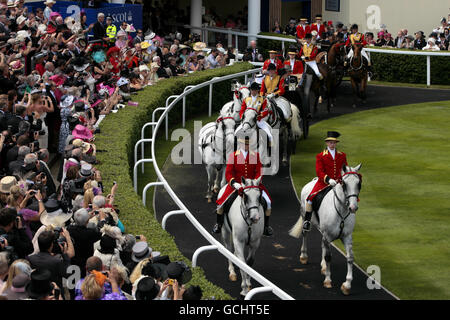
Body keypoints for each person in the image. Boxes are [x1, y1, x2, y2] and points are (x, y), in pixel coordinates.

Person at [214, 136, 273, 236]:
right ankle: (218, 224)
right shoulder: (233, 156)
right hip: (236, 186)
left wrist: (255, 181)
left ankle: (266, 227)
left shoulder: (255, 155)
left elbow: (259, 171)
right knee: (221, 202)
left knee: (268, 202)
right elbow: (228, 173)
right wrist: (234, 183)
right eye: (244, 144)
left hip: (253, 186)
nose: (246, 146)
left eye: (248, 144)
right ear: (240, 144)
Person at [302, 131, 348, 233]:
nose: (332, 144)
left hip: (339, 183)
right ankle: (307, 221)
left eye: (334, 142)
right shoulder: (320, 156)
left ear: (336, 143)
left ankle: (348, 218)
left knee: (349, 197)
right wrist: (328, 180)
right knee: (310, 199)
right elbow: (319, 172)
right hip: (323, 183)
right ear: (327, 143)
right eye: (330, 142)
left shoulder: (342, 155)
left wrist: (339, 179)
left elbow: (345, 169)